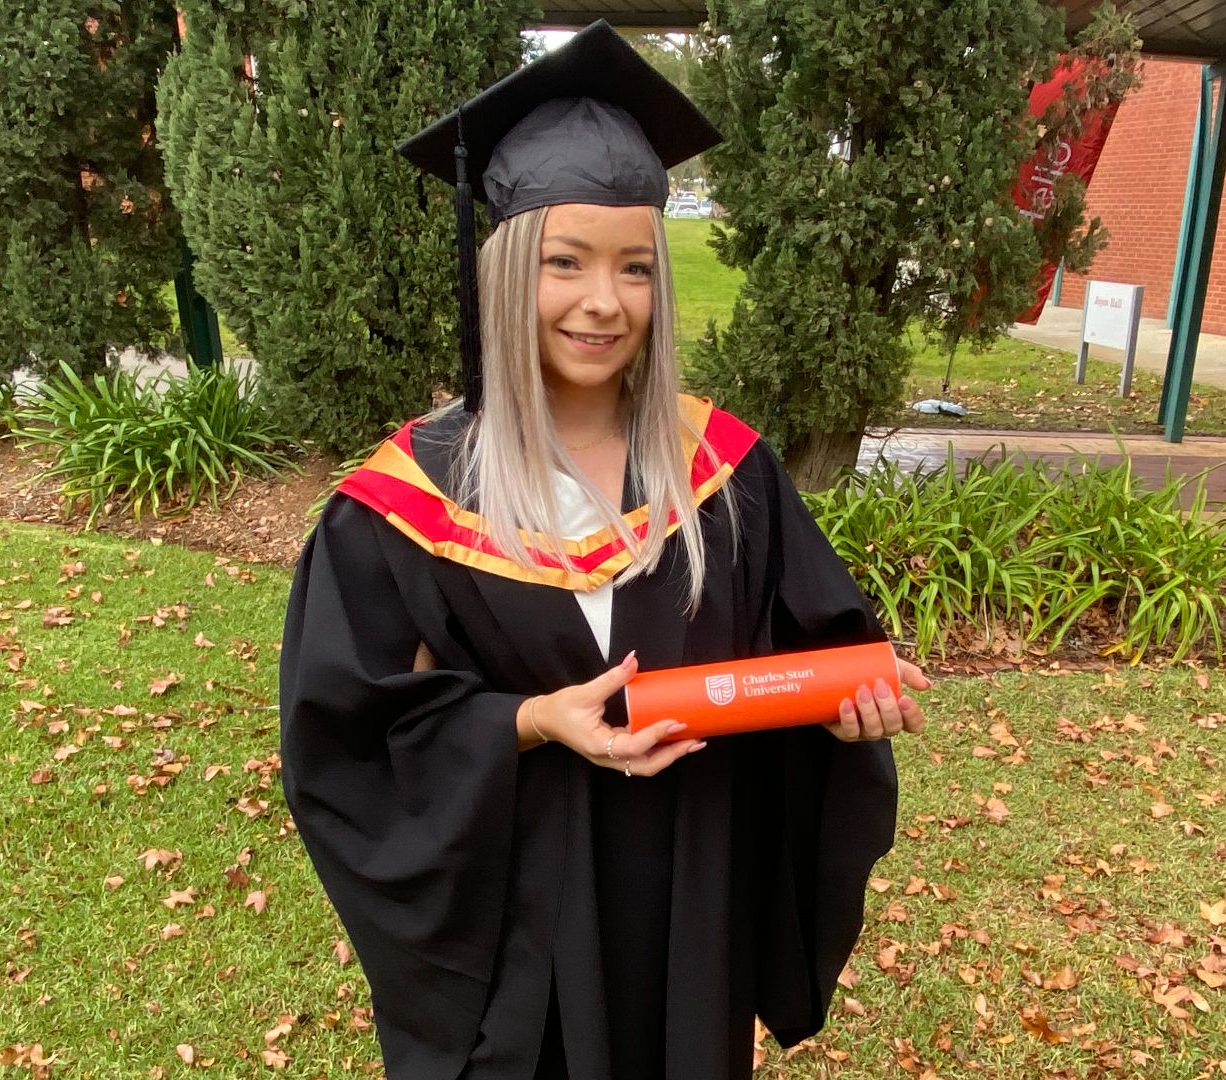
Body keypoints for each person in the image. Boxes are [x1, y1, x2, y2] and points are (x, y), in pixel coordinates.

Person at [279, 22, 929, 1080]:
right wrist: (531, 722)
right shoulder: (399, 503)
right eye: (565, 262)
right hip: (519, 937)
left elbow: (811, 654)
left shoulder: (722, 473)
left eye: (635, 268)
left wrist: (850, 709)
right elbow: (343, 740)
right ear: (502, 272)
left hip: (690, 915)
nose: (604, 302)